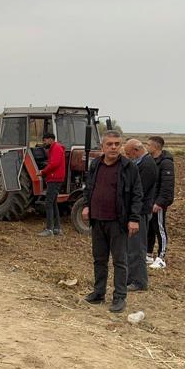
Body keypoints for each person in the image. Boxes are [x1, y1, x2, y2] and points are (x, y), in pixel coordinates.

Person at [81, 130, 143, 313]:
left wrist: (134, 219)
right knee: (99, 259)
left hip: (118, 221)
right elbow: (89, 188)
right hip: (97, 220)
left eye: (117, 144)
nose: (114, 147)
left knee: (119, 261)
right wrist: (86, 206)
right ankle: (98, 293)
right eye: (109, 144)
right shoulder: (95, 164)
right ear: (102, 146)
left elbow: (137, 194)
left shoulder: (128, 167)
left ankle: (119, 297)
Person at [123, 139, 158, 291]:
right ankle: (131, 278)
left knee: (137, 248)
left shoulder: (147, 166)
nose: (127, 156)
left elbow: (139, 191)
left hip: (140, 212)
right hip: (137, 211)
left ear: (136, 150)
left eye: (128, 153)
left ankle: (139, 281)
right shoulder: (142, 163)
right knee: (131, 248)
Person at [146, 136, 175, 269]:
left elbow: (167, 186)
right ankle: (148, 254)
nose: (147, 147)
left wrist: (160, 203)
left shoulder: (166, 163)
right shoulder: (151, 160)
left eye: (148, 145)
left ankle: (161, 258)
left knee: (159, 228)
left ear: (155, 147)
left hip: (158, 203)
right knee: (150, 229)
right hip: (150, 201)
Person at [38, 132, 66, 236]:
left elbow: (54, 164)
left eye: (44, 140)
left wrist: (43, 172)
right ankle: (57, 229)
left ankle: (49, 229)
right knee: (53, 203)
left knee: (48, 203)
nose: (44, 142)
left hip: (54, 178)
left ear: (50, 139)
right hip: (55, 178)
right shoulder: (55, 148)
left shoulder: (56, 148)